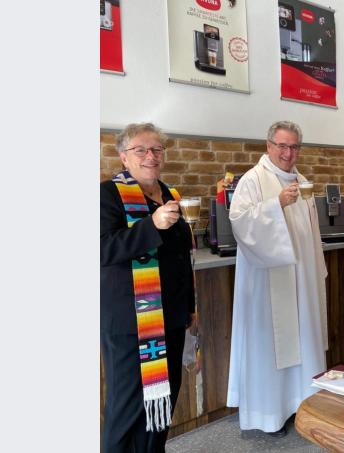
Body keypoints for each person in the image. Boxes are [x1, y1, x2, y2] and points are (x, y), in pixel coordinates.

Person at [226, 121, 328, 436]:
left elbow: (310, 235)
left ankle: (301, 404)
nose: (288, 153)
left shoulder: (302, 180)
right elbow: (240, 221)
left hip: (301, 280)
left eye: (294, 146)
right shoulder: (253, 180)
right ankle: (270, 414)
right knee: (270, 346)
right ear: (269, 145)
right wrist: (277, 204)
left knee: (302, 337)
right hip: (268, 285)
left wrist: (313, 272)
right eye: (282, 146)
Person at [100, 122, 196, 452]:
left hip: (170, 318)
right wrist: (151, 225)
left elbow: (183, 257)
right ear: (124, 158)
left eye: (156, 149)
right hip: (131, 323)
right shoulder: (107, 195)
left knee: (162, 405)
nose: (150, 156)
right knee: (129, 408)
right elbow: (102, 249)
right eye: (140, 150)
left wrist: (190, 308)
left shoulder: (171, 195)